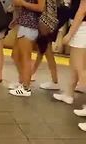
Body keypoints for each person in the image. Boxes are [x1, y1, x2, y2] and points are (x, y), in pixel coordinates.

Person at [52, 0, 86, 131]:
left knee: (80, 69)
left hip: (81, 28)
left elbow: (82, 10)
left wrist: (70, 34)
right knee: (74, 66)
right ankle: (69, 94)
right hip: (80, 27)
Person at [8, 0, 46, 97]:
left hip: (30, 26)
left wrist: (23, 3)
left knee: (25, 58)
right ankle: (23, 80)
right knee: (15, 55)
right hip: (24, 24)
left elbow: (40, 7)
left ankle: (26, 87)